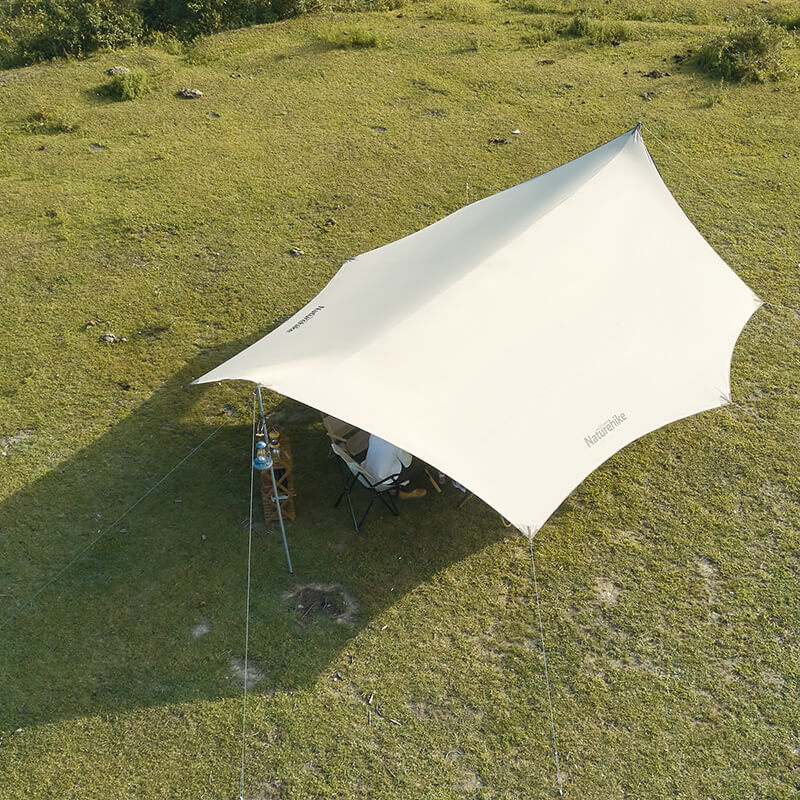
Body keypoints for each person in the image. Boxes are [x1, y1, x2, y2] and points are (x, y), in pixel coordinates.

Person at [362, 435, 427, 500]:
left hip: (367, 471)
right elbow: (407, 463)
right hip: (382, 480)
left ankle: (396, 487)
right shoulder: (396, 441)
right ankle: (407, 491)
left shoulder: (376, 432)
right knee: (420, 462)